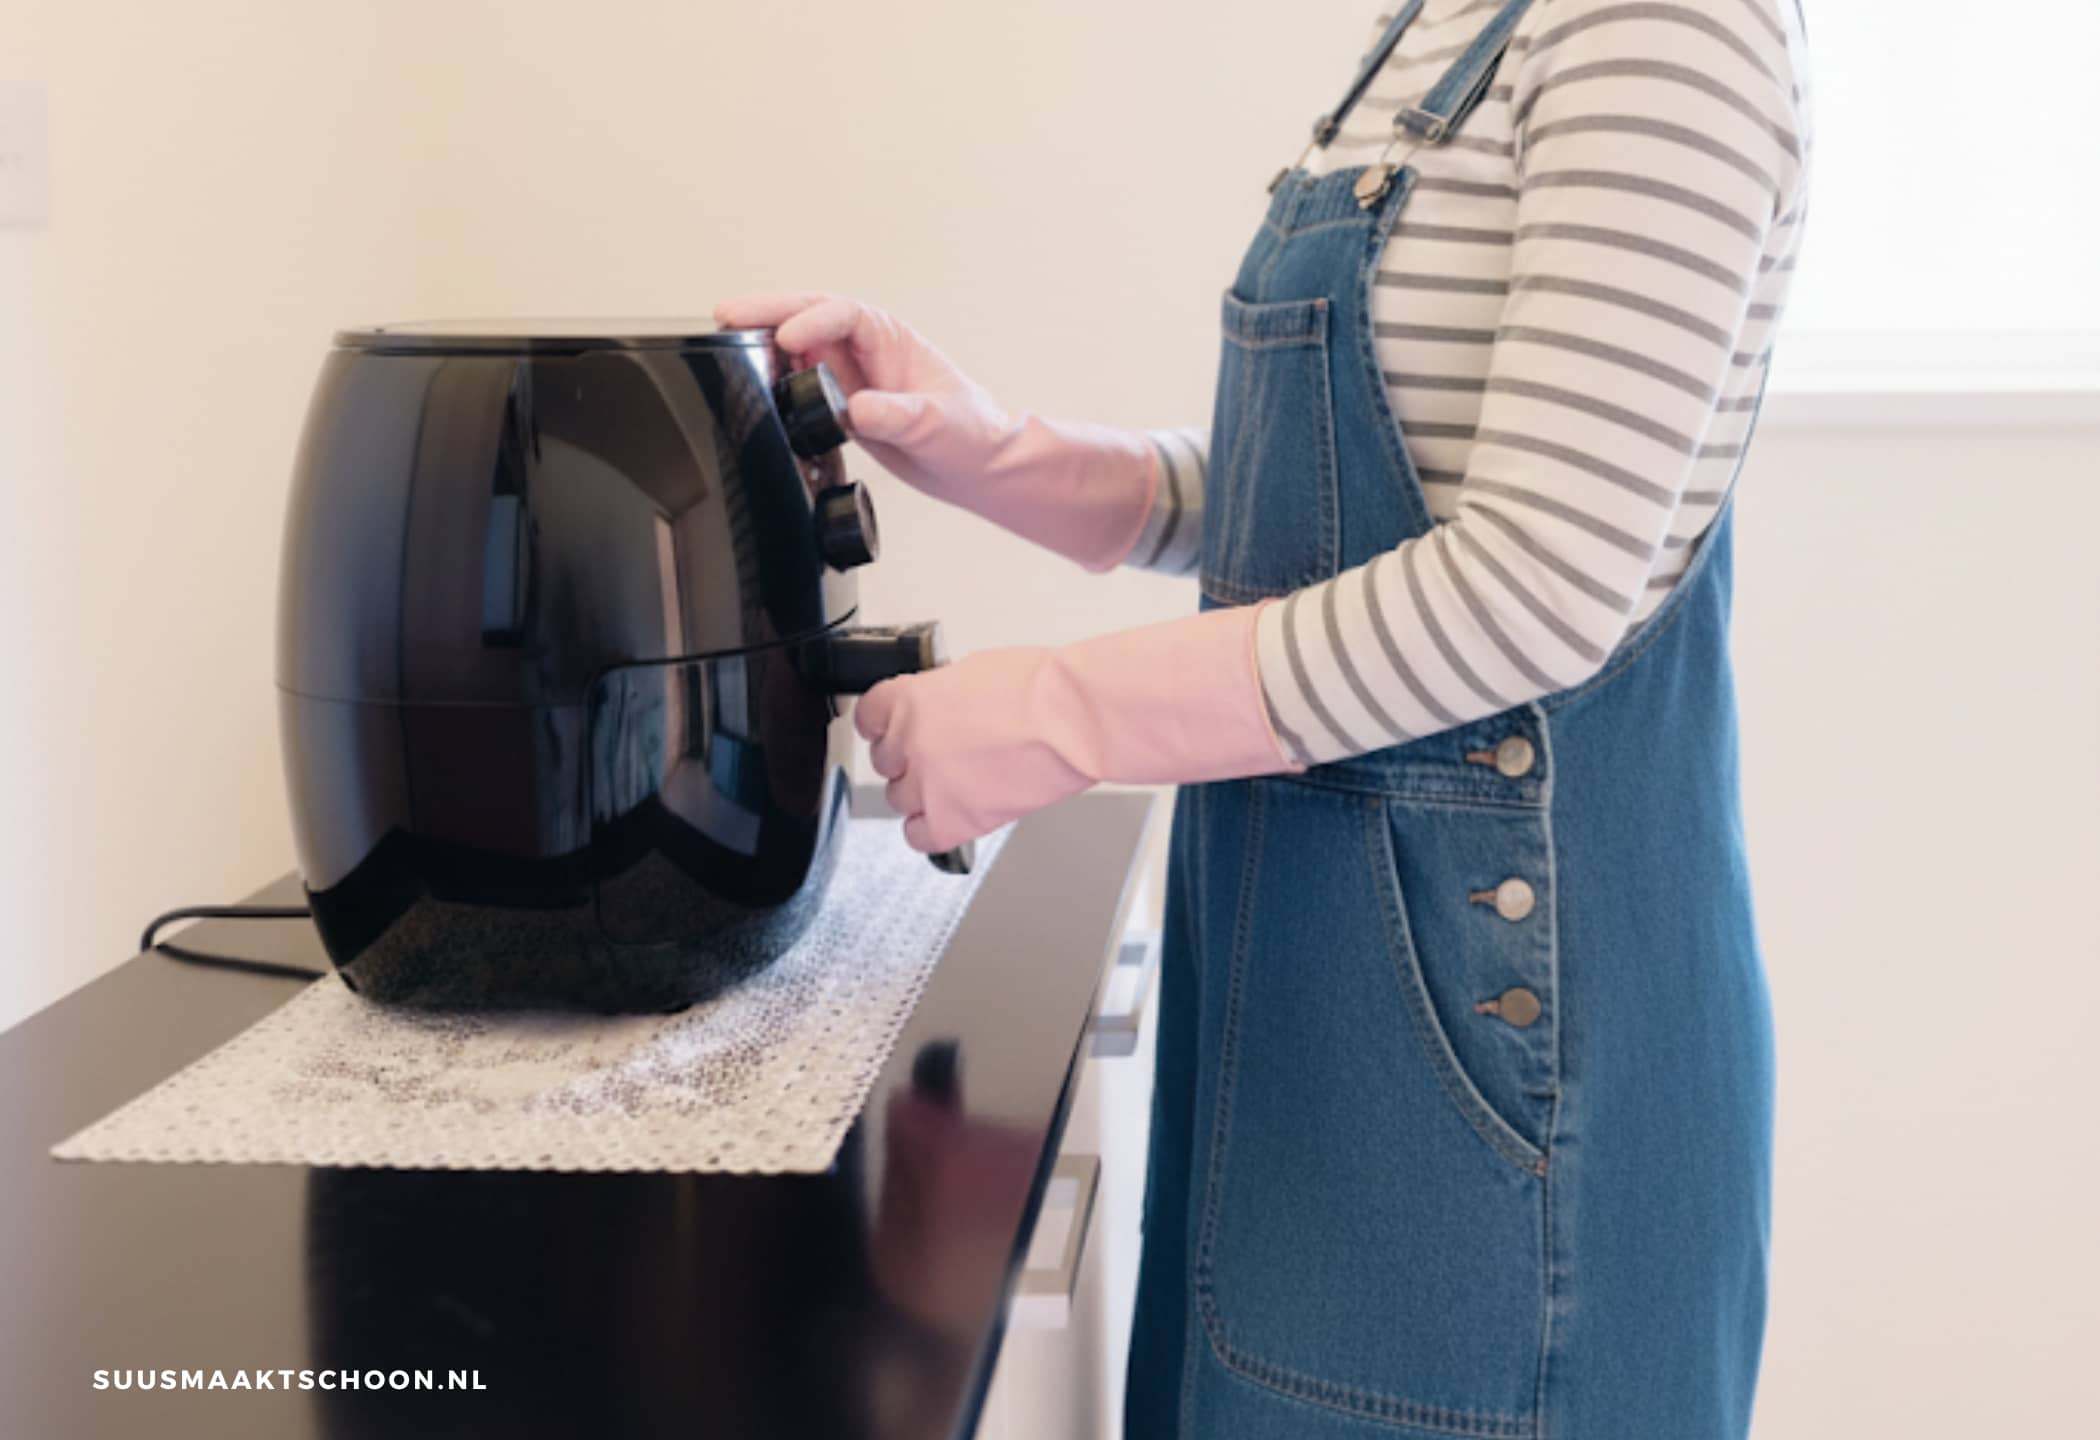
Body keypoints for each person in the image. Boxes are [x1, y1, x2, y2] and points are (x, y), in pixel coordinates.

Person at [719, 0, 1809, 1433]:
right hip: (1318, 1019)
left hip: (1508, 1067)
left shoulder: (1661, 26)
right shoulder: (1447, 23)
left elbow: (1536, 584)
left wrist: (1057, 715)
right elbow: (1374, 490)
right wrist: (1012, 456)